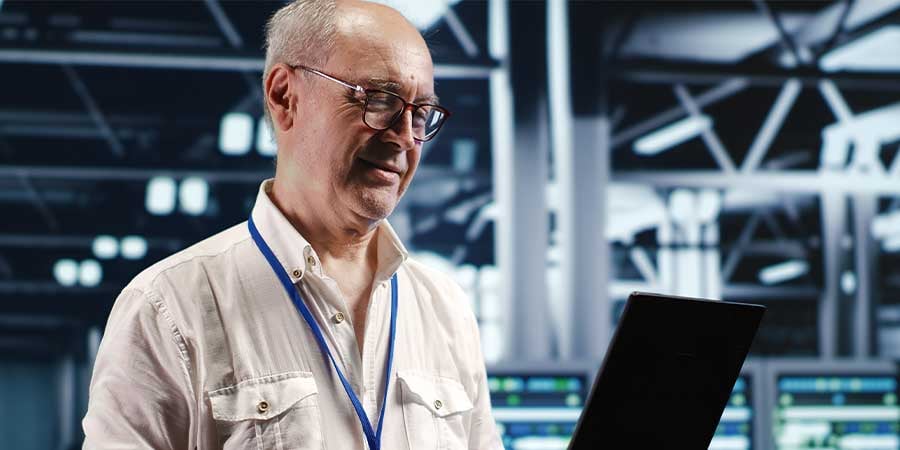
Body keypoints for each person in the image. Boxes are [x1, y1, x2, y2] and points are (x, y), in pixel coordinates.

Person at [81, 1, 502, 448]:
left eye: (420, 114)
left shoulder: (444, 310)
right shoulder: (170, 308)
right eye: (378, 100)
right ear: (284, 96)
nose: (403, 136)